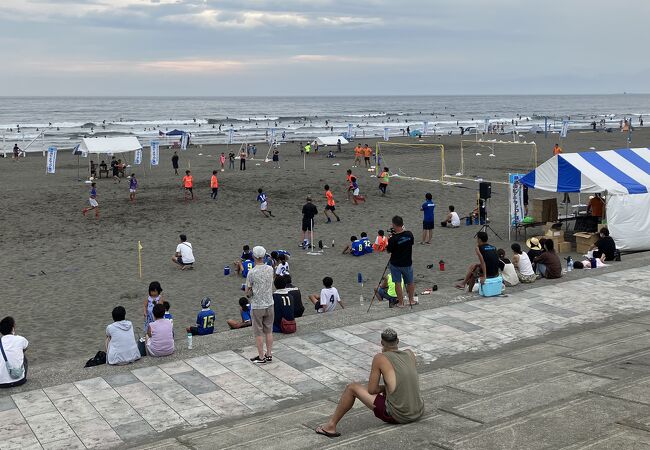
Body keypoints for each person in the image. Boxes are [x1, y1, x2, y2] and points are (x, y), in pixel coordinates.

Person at [315, 328, 424, 438]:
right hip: (418, 411)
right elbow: (405, 381)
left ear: (382, 343)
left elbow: (372, 390)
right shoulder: (409, 353)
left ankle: (330, 426)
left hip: (399, 415)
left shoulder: (380, 358)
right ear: (398, 341)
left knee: (351, 388)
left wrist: (384, 387)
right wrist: (387, 388)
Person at [245, 246, 275, 364]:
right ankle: (269, 354)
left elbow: (247, 291)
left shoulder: (251, 272)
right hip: (269, 303)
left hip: (257, 305)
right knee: (269, 331)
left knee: (258, 332)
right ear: (264, 256)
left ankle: (261, 356)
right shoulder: (270, 269)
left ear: (254, 256)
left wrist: (250, 293)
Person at [387, 216, 416, 307]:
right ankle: (411, 300)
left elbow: (389, 250)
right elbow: (411, 243)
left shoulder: (393, 239)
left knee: (398, 283)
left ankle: (401, 303)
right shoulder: (409, 234)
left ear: (394, 225)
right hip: (407, 262)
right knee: (410, 282)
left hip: (396, 263)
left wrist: (390, 238)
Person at [0, 316, 29, 388]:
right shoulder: (20, 339)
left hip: (1, 383)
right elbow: (25, 348)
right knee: (23, 355)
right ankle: (21, 375)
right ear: (12, 328)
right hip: (20, 380)